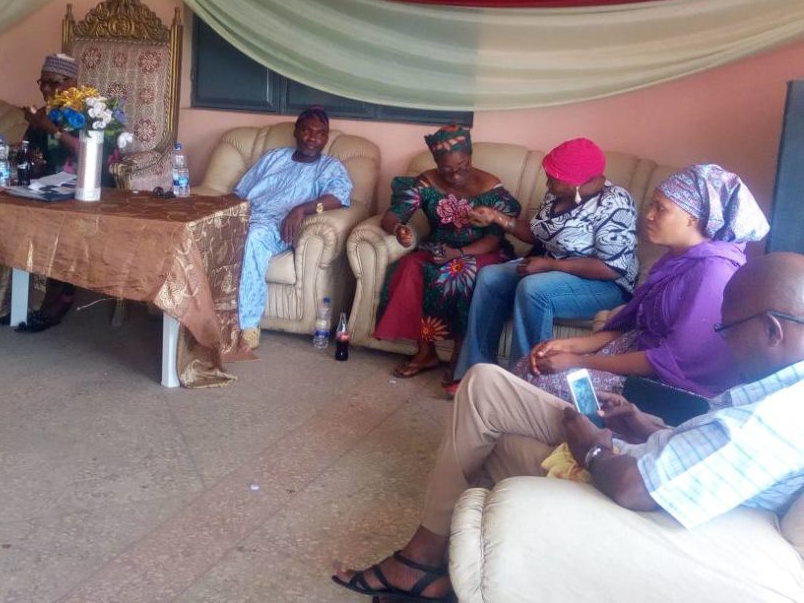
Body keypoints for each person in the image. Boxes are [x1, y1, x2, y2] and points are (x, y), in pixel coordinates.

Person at [333, 252, 804, 601]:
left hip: (625, 488)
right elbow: (706, 451)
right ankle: (434, 562)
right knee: (485, 386)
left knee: (490, 436)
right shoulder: (781, 390)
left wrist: (592, 449)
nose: (722, 340)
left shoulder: (773, 419)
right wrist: (646, 425)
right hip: (643, 456)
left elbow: (635, 490)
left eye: (727, 329)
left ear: (772, 330)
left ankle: (422, 562)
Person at [516, 164, 770, 399]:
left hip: (663, 384)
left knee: (540, 383)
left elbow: (670, 361)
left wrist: (578, 361)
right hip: (637, 352)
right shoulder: (678, 258)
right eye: (651, 206)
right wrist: (571, 345)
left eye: (661, 209)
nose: (648, 215)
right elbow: (639, 325)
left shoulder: (713, 273)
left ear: (694, 218)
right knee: (532, 364)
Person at [448, 137, 638, 387]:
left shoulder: (615, 202)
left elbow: (612, 268)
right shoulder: (557, 195)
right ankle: (476, 370)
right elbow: (539, 234)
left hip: (604, 285)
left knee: (534, 288)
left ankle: (527, 382)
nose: (547, 183)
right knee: (490, 276)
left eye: (553, 178)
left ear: (576, 181)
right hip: (550, 268)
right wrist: (497, 217)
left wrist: (550, 266)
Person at [372, 123, 521, 379]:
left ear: (470, 157)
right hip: (440, 245)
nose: (455, 175)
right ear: (436, 164)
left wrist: (459, 253)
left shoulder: (489, 186)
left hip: (482, 251)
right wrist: (399, 229)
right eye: (446, 169)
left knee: (461, 273)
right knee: (411, 267)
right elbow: (392, 216)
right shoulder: (426, 182)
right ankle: (425, 352)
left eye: (462, 166)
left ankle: (459, 356)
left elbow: (493, 239)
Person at [234, 106, 353, 350]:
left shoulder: (329, 167)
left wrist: (301, 209)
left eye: (320, 134)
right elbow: (241, 192)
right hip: (247, 215)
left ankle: (248, 326)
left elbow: (338, 197)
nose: (312, 139)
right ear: (296, 131)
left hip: (276, 227)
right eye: (307, 131)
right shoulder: (274, 157)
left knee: (254, 237)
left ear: (326, 138)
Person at [10, 53, 83, 333]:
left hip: (82, 189)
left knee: (59, 225)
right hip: (44, 188)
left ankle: (60, 299)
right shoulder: (41, 114)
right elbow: (29, 151)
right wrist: (21, 157)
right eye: (43, 83)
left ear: (72, 82)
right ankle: (15, 302)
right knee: (7, 216)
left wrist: (49, 128)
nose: (46, 89)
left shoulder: (90, 112)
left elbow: (87, 152)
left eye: (54, 83)